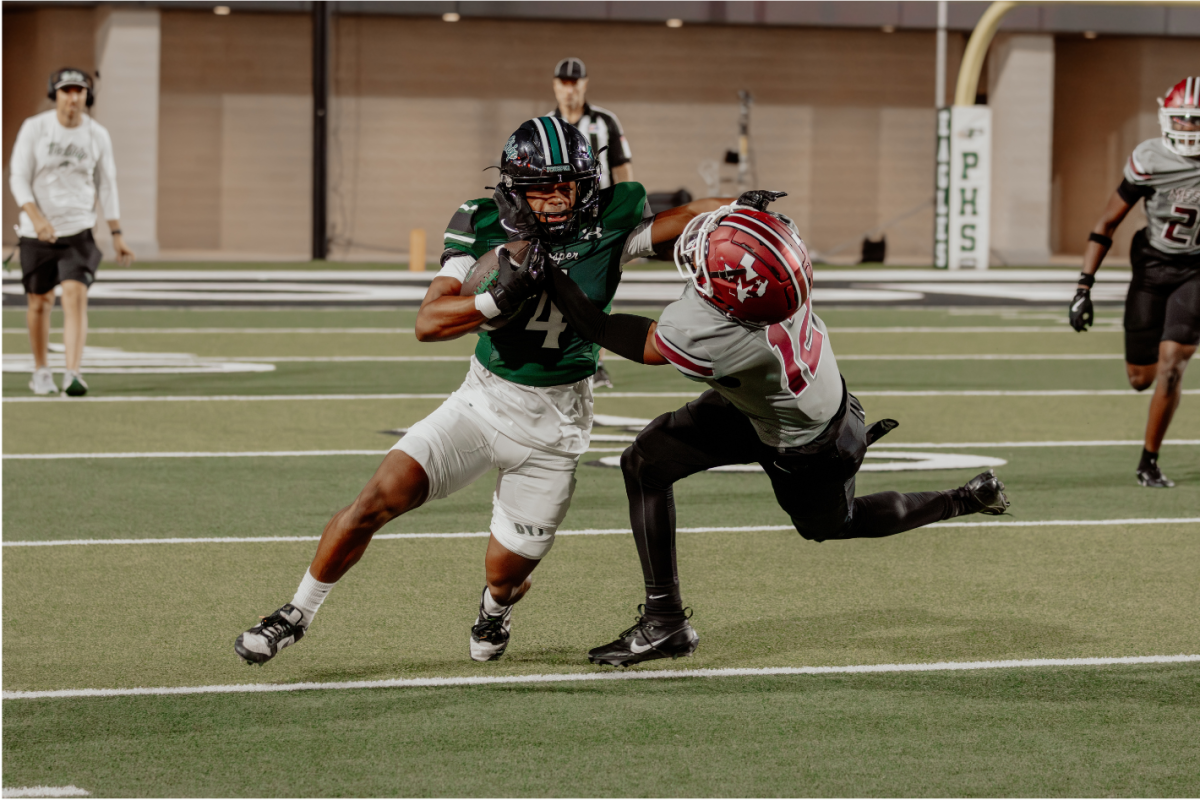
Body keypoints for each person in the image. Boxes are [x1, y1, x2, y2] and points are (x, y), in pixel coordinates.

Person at [235, 117, 734, 666]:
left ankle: (495, 609)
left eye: (569, 183)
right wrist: (495, 299)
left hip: (557, 425)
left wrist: (741, 210)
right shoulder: (482, 224)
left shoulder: (609, 221)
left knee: (505, 576)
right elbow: (427, 321)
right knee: (374, 500)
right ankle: (295, 613)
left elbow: (689, 217)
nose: (559, 198)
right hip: (483, 402)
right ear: (515, 189)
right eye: (544, 187)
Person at [540, 190, 1011, 666]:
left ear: (729, 299)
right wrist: (745, 211)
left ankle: (961, 499)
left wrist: (549, 270)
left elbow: (598, 328)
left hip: (808, 445)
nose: (700, 253)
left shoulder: (705, 332)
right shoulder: (776, 269)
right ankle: (665, 622)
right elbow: (733, 242)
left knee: (833, 526)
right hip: (777, 401)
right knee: (645, 462)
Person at [1069, 76, 1200, 488]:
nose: (1188, 129)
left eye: (1196, 121)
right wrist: (1083, 287)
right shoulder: (1150, 157)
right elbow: (1107, 223)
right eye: (1181, 120)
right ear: (1166, 118)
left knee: (1173, 362)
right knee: (1140, 378)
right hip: (1151, 267)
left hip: (1196, 269)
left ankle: (1149, 461)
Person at [8, 67, 135, 397]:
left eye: (79, 91)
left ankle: (73, 373)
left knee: (75, 296)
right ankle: (41, 371)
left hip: (78, 231)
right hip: (38, 234)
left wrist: (116, 232)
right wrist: (35, 218)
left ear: (87, 97)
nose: (73, 97)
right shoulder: (35, 128)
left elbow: (107, 184)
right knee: (39, 303)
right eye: (67, 91)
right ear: (56, 95)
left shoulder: (97, 134)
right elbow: (18, 177)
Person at [550, 56, 635, 390]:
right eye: (563, 82)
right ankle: (561, 357)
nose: (569, 88)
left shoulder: (605, 121)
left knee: (596, 294)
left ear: (584, 84)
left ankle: (594, 363)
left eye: (575, 82)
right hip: (559, 222)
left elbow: (623, 170)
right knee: (559, 291)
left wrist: (628, 216)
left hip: (598, 221)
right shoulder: (546, 124)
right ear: (555, 85)